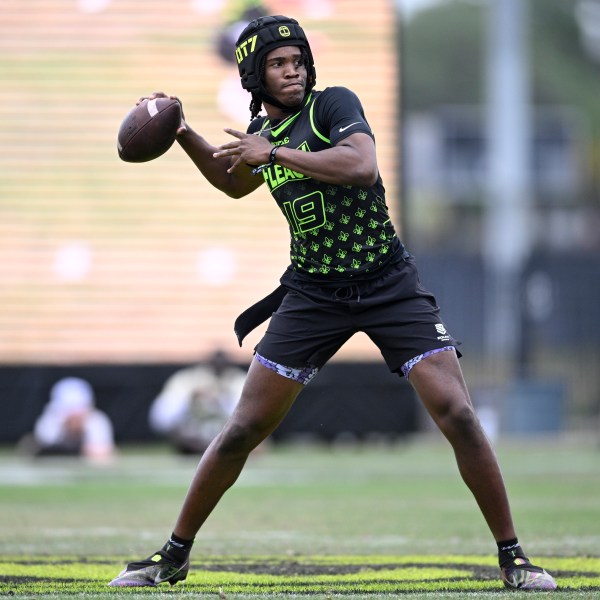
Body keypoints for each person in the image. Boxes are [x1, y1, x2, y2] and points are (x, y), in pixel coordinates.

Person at [108, 15, 556, 591]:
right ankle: (171, 557)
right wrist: (183, 131)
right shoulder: (260, 132)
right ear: (254, 74)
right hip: (315, 294)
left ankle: (513, 557)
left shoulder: (331, 106)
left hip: (387, 283)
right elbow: (234, 181)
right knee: (243, 428)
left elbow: (360, 165)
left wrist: (276, 154)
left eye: (297, 59)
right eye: (278, 63)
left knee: (459, 415)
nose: (292, 69)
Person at [148, 350, 246, 455]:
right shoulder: (189, 380)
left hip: (224, 431)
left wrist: (221, 401)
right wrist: (192, 397)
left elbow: (244, 418)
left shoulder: (240, 381)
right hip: (195, 430)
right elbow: (162, 420)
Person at [18, 376, 116, 462]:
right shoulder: (51, 421)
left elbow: (102, 453)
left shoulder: (97, 422)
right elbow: (40, 447)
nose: (74, 417)